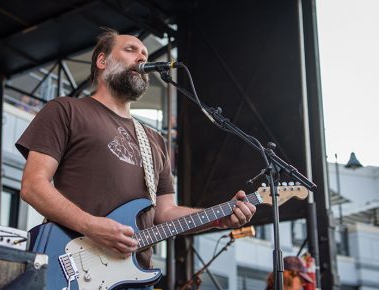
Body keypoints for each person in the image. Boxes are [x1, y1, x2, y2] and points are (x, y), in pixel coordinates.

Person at [16, 29, 256, 289]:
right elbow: (33, 186)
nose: (141, 57)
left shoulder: (155, 140)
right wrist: (92, 226)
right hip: (73, 269)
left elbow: (164, 213)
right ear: (102, 61)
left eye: (145, 53)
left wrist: (218, 217)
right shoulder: (66, 110)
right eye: (130, 50)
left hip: (133, 277)